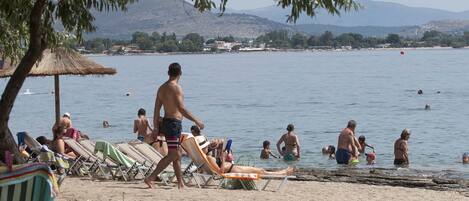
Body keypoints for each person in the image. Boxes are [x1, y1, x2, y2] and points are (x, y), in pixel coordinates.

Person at [145, 63, 205, 189]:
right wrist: (196, 121)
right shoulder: (176, 88)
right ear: (180, 73)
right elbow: (181, 109)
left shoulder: (161, 88)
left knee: (176, 153)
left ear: (168, 73)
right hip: (173, 125)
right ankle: (151, 177)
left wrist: (156, 127)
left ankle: (180, 183)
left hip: (167, 123)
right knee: (174, 154)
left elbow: (156, 109)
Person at [196, 136, 293, 176]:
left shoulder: (205, 157)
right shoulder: (208, 157)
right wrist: (223, 158)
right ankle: (282, 172)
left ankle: (282, 172)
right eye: (206, 146)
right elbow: (220, 172)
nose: (208, 146)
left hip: (233, 168)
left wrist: (218, 148)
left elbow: (225, 141)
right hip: (233, 170)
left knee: (259, 170)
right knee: (260, 171)